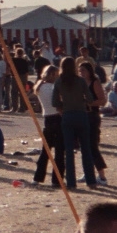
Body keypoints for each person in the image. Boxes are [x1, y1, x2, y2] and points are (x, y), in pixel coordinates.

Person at [52, 56, 96, 190]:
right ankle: (91, 180)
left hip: (67, 115)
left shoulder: (59, 81)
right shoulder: (81, 81)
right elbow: (90, 99)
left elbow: (54, 102)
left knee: (69, 152)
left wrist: (63, 105)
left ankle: (71, 182)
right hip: (81, 115)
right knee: (86, 149)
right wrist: (82, 100)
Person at [32, 64, 64, 186]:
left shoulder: (40, 87)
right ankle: (57, 180)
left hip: (47, 119)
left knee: (46, 151)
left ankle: (38, 177)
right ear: (52, 75)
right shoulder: (52, 87)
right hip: (57, 117)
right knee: (59, 151)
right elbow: (58, 103)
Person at [79, 58, 108, 185]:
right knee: (84, 146)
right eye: (80, 71)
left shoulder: (94, 82)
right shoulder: (80, 83)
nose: (81, 73)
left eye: (83, 70)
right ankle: (88, 172)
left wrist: (89, 102)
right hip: (82, 115)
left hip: (92, 115)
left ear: (89, 71)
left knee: (92, 146)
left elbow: (103, 100)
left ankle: (102, 176)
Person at [10, 46, 30, 113]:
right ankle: (22, 108)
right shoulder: (24, 61)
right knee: (22, 93)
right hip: (23, 77)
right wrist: (26, 80)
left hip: (15, 76)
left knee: (14, 92)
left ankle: (14, 107)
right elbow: (27, 72)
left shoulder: (13, 60)